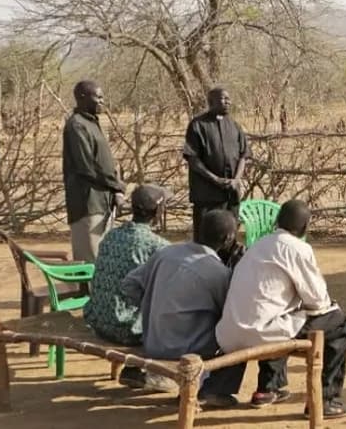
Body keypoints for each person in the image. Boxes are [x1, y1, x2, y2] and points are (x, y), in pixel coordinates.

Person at [216, 200, 346, 419]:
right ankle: (325, 401)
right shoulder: (298, 249)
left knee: (283, 315)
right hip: (261, 332)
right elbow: (318, 300)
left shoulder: (258, 245)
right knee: (337, 322)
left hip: (228, 333)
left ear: (277, 222)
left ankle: (267, 389)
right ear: (305, 227)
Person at [121, 210, 242, 408]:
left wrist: (152, 305)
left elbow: (129, 284)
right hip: (188, 351)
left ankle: (167, 378)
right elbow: (229, 312)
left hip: (153, 342)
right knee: (236, 335)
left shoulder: (166, 253)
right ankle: (212, 390)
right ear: (229, 238)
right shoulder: (218, 272)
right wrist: (235, 271)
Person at [84, 184, 170, 388]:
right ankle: (156, 373)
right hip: (127, 329)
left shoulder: (111, 236)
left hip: (98, 321)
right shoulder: (157, 246)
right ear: (158, 212)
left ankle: (132, 370)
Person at [63, 80, 125, 261]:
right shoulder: (76, 125)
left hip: (103, 202)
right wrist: (116, 184)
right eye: (98, 97)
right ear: (82, 97)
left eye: (102, 97)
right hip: (87, 204)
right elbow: (86, 167)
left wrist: (114, 190)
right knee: (91, 260)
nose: (102, 101)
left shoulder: (92, 123)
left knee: (103, 259)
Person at [183, 87, 251, 243]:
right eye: (223, 99)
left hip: (230, 195)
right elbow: (193, 159)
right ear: (211, 102)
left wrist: (236, 180)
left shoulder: (235, 126)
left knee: (228, 238)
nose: (228, 102)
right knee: (205, 239)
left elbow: (244, 155)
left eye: (229, 99)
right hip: (207, 195)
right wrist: (215, 179)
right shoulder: (197, 125)